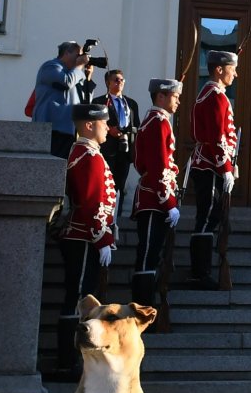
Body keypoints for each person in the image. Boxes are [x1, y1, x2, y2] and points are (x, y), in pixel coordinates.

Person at [57, 100, 117, 376]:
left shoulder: (88, 153)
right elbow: (92, 202)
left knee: (82, 295)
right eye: (103, 122)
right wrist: (102, 239)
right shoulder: (87, 155)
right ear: (89, 125)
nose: (107, 127)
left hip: (87, 235)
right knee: (79, 296)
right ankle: (69, 356)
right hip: (83, 236)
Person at [130, 78, 182, 313]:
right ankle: (142, 309)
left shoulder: (155, 121)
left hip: (154, 197)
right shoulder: (158, 122)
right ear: (161, 97)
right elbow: (158, 166)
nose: (178, 100)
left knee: (152, 253)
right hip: (153, 199)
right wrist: (168, 202)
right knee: (149, 253)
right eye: (175, 96)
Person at [188, 49, 238, 288]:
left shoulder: (209, 93)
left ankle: (201, 270)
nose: (235, 74)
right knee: (207, 217)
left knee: (209, 216)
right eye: (232, 69)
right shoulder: (215, 96)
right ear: (219, 70)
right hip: (209, 165)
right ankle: (200, 271)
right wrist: (225, 167)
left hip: (209, 163)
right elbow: (217, 137)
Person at [33, 40, 98, 159]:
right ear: (67, 53)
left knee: (63, 169)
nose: (81, 59)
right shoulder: (50, 66)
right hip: (51, 128)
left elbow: (86, 102)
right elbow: (66, 82)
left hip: (69, 129)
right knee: (50, 166)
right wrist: (79, 66)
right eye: (78, 55)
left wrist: (87, 78)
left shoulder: (75, 74)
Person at [100, 70, 138, 219]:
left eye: (122, 80)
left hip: (125, 149)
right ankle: (105, 216)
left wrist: (128, 134)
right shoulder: (101, 101)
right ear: (108, 83)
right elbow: (96, 123)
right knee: (106, 184)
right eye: (116, 80)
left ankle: (117, 217)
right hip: (107, 149)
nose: (120, 82)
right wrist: (109, 130)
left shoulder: (131, 103)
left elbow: (137, 125)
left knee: (120, 185)